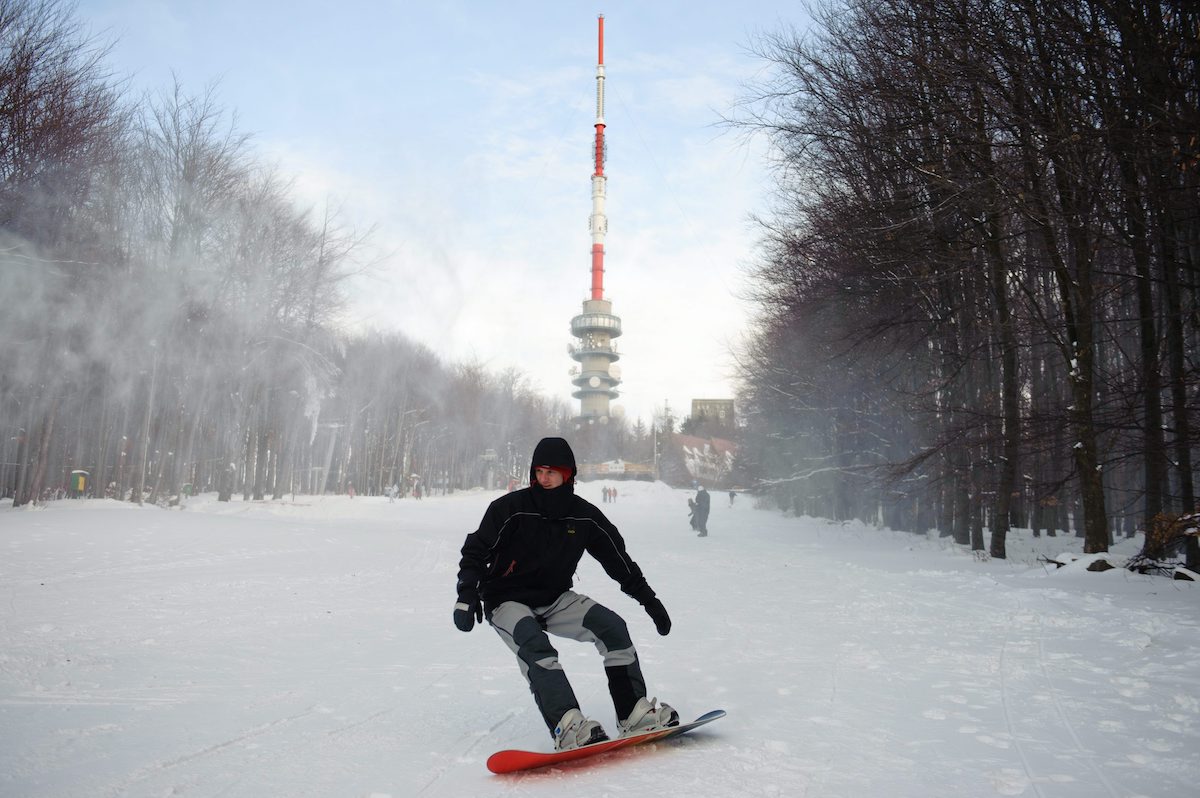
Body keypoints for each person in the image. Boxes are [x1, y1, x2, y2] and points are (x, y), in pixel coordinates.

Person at [454, 437, 678, 751]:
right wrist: (467, 593)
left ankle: (632, 714)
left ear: (568, 475)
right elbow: (475, 552)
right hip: (507, 599)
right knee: (535, 645)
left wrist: (649, 600)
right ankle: (567, 723)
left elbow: (618, 561)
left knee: (613, 629)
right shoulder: (509, 509)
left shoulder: (584, 516)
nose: (543, 478)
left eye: (552, 472)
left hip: (556, 598)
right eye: (539, 471)